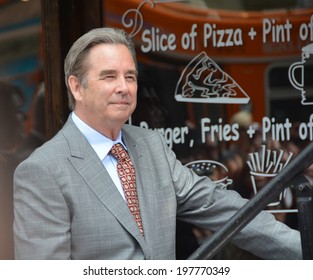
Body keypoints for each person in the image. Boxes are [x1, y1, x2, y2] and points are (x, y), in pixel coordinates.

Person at [13, 27, 302, 260]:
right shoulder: (42, 171)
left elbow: (222, 208)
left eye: (130, 77)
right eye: (109, 76)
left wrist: (304, 249)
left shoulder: (151, 145)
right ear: (76, 86)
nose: (123, 87)